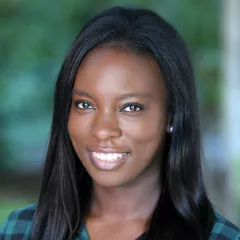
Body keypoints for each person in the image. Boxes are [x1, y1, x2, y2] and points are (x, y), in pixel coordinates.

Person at [0, 6, 239, 240]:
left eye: (130, 108)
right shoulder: (20, 230)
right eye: (85, 105)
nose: (103, 130)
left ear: (172, 116)